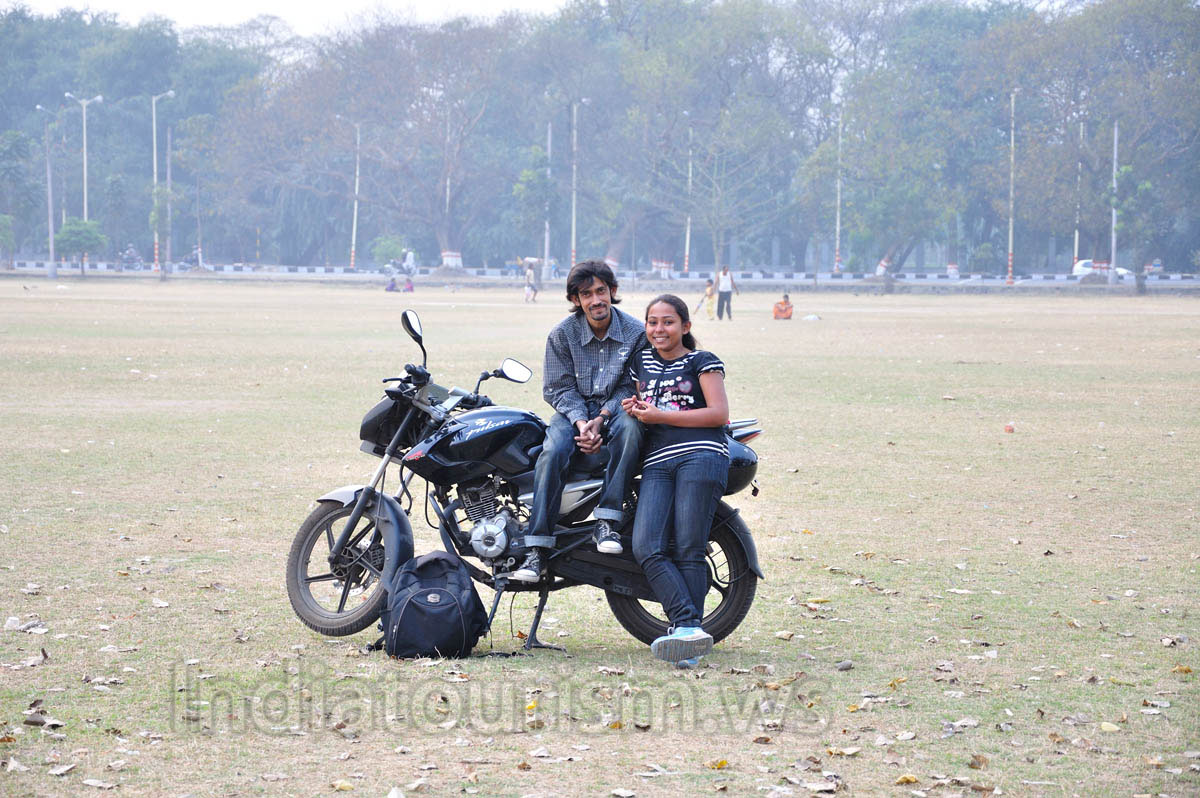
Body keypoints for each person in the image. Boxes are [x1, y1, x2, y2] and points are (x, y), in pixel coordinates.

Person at [511, 260, 647, 582]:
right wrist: (580, 423)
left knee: (630, 429)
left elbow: (631, 386)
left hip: (616, 409)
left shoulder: (636, 333)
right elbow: (557, 388)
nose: (596, 300)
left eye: (601, 291)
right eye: (587, 294)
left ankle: (608, 521)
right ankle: (537, 548)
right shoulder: (562, 334)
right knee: (552, 451)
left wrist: (601, 418)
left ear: (613, 292)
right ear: (576, 299)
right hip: (571, 412)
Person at [622, 294, 729, 667]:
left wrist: (662, 415)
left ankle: (687, 637)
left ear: (685, 326)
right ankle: (688, 629)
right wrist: (636, 411)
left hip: (701, 456)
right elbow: (646, 413)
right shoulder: (642, 362)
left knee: (688, 548)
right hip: (657, 463)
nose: (658, 329)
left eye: (668, 322)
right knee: (647, 546)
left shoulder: (703, 361)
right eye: (652, 322)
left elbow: (718, 414)